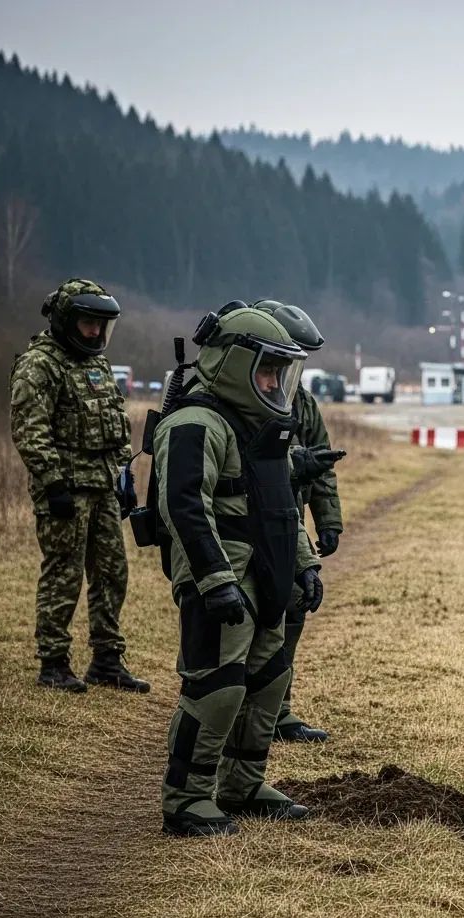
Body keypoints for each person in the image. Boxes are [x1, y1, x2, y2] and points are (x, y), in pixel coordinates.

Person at [154, 305, 319, 837]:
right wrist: (214, 580)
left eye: (280, 373)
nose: (275, 383)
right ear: (234, 365)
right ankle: (186, 798)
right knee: (217, 686)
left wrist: (304, 563)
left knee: (269, 680)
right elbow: (183, 506)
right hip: (220, 576)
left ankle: (242, 785)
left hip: (265, 573)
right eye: (267, 371)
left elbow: (282, 506)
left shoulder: (264, 427)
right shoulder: (194, 423)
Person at [9, 277, 149, 694]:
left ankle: (107, 660)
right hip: (65, 489)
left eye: (101, 324)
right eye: (89, 323)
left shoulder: (97, 364)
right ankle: (53, 662)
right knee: (63, 573)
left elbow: (115, 424)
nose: (96, 332)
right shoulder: (39, 365)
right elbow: (29, 429)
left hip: (103, 486)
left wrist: (124, 478)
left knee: (112, 571)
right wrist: (53, 485)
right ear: (67, 320)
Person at [252, 299, 345, 744]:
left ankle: (277, 711)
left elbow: (322, 465)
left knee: (293, 612)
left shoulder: (303, 404)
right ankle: (250, 715)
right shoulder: (249, 400)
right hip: (252, 525)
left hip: (291, 525)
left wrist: (329, 521)